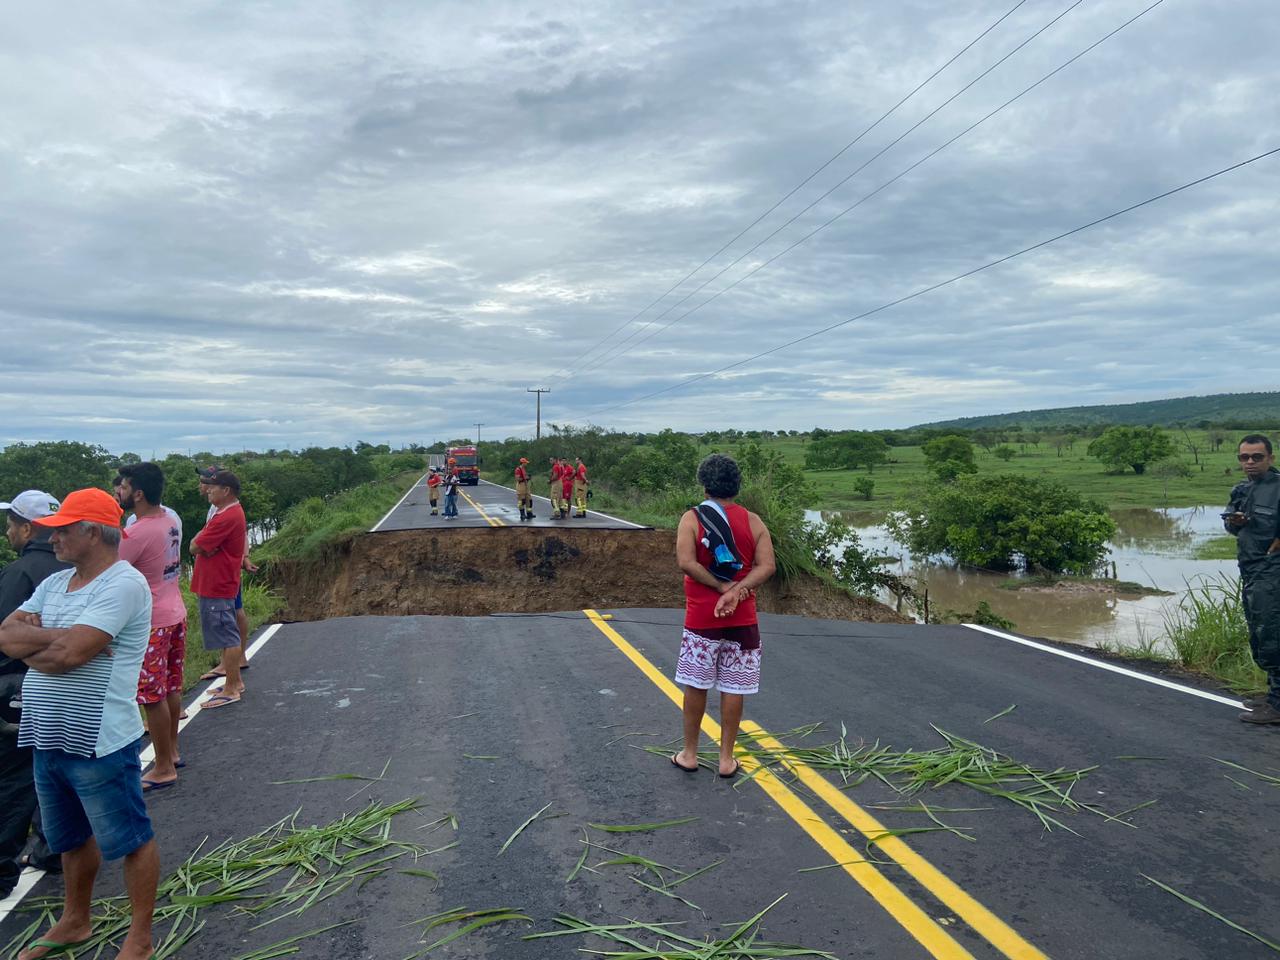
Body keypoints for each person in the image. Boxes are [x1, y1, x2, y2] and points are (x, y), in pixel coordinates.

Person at [0, 488, 159, 960]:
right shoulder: (56, 583)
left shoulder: (122, 584)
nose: (54, 536)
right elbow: (6, 637)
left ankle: (140, 936)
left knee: (130, 838)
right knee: (69, 837)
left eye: (64, 528)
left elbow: (72, 654)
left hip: (100, 739)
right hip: (46, 733)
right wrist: (56, 637)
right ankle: (75, 920)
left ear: (92, 531)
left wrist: (46, 644)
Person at [670, 454, 776, 778]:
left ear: (705, 486)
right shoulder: (754, 521)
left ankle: (689, 753)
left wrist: (719, 586)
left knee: (696, 685)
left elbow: (686, 562)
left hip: (703, 617)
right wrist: (737, 591)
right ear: (736, 486)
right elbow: (767, 566)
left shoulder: (692, 519)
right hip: (742, 618)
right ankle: (726, 759)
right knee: (734, 688)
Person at [0, 491, 68, 897]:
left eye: (11, 524)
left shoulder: (20, 573)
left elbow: (5, 638)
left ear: (28, 528)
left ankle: (2, 871)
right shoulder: (72, 570)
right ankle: (54, 848)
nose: (8, 532)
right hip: (64, 683)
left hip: (17, 686)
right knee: (53, 766)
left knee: (14, 779)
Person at [114, 464, 186, 790]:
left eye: (123, 486)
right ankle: (170, 753)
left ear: (138, 493)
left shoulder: (138, 532)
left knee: (150, 696)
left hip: (152, 623)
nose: (119, 491)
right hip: (174, 612)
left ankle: (162, 767)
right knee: (169, 687)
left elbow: (110, 570)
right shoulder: (169, 521)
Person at [1224, 434, 1280, 725]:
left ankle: (1278, 706)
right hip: (1250, 569)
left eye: (1256, 457)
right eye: (1244, 457)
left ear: (1270, 457)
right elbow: (1232, 530)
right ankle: (1274, 695)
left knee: (1273, 632)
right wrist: (1234, 522)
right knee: (1261, 631)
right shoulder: (1241, 489)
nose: (1250, 463)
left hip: (1273, 572)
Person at [194, 467, 255, 687]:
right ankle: (232, 672)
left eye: (209, 483)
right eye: (204, 482)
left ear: (225, 489)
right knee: (229, 622)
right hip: (223, 575)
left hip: (221, 578)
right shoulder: (220, 509)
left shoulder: (226, 513)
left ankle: (233, 682)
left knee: (229, 625)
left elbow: (195, 546)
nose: (205, 487)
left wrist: (202, 543)